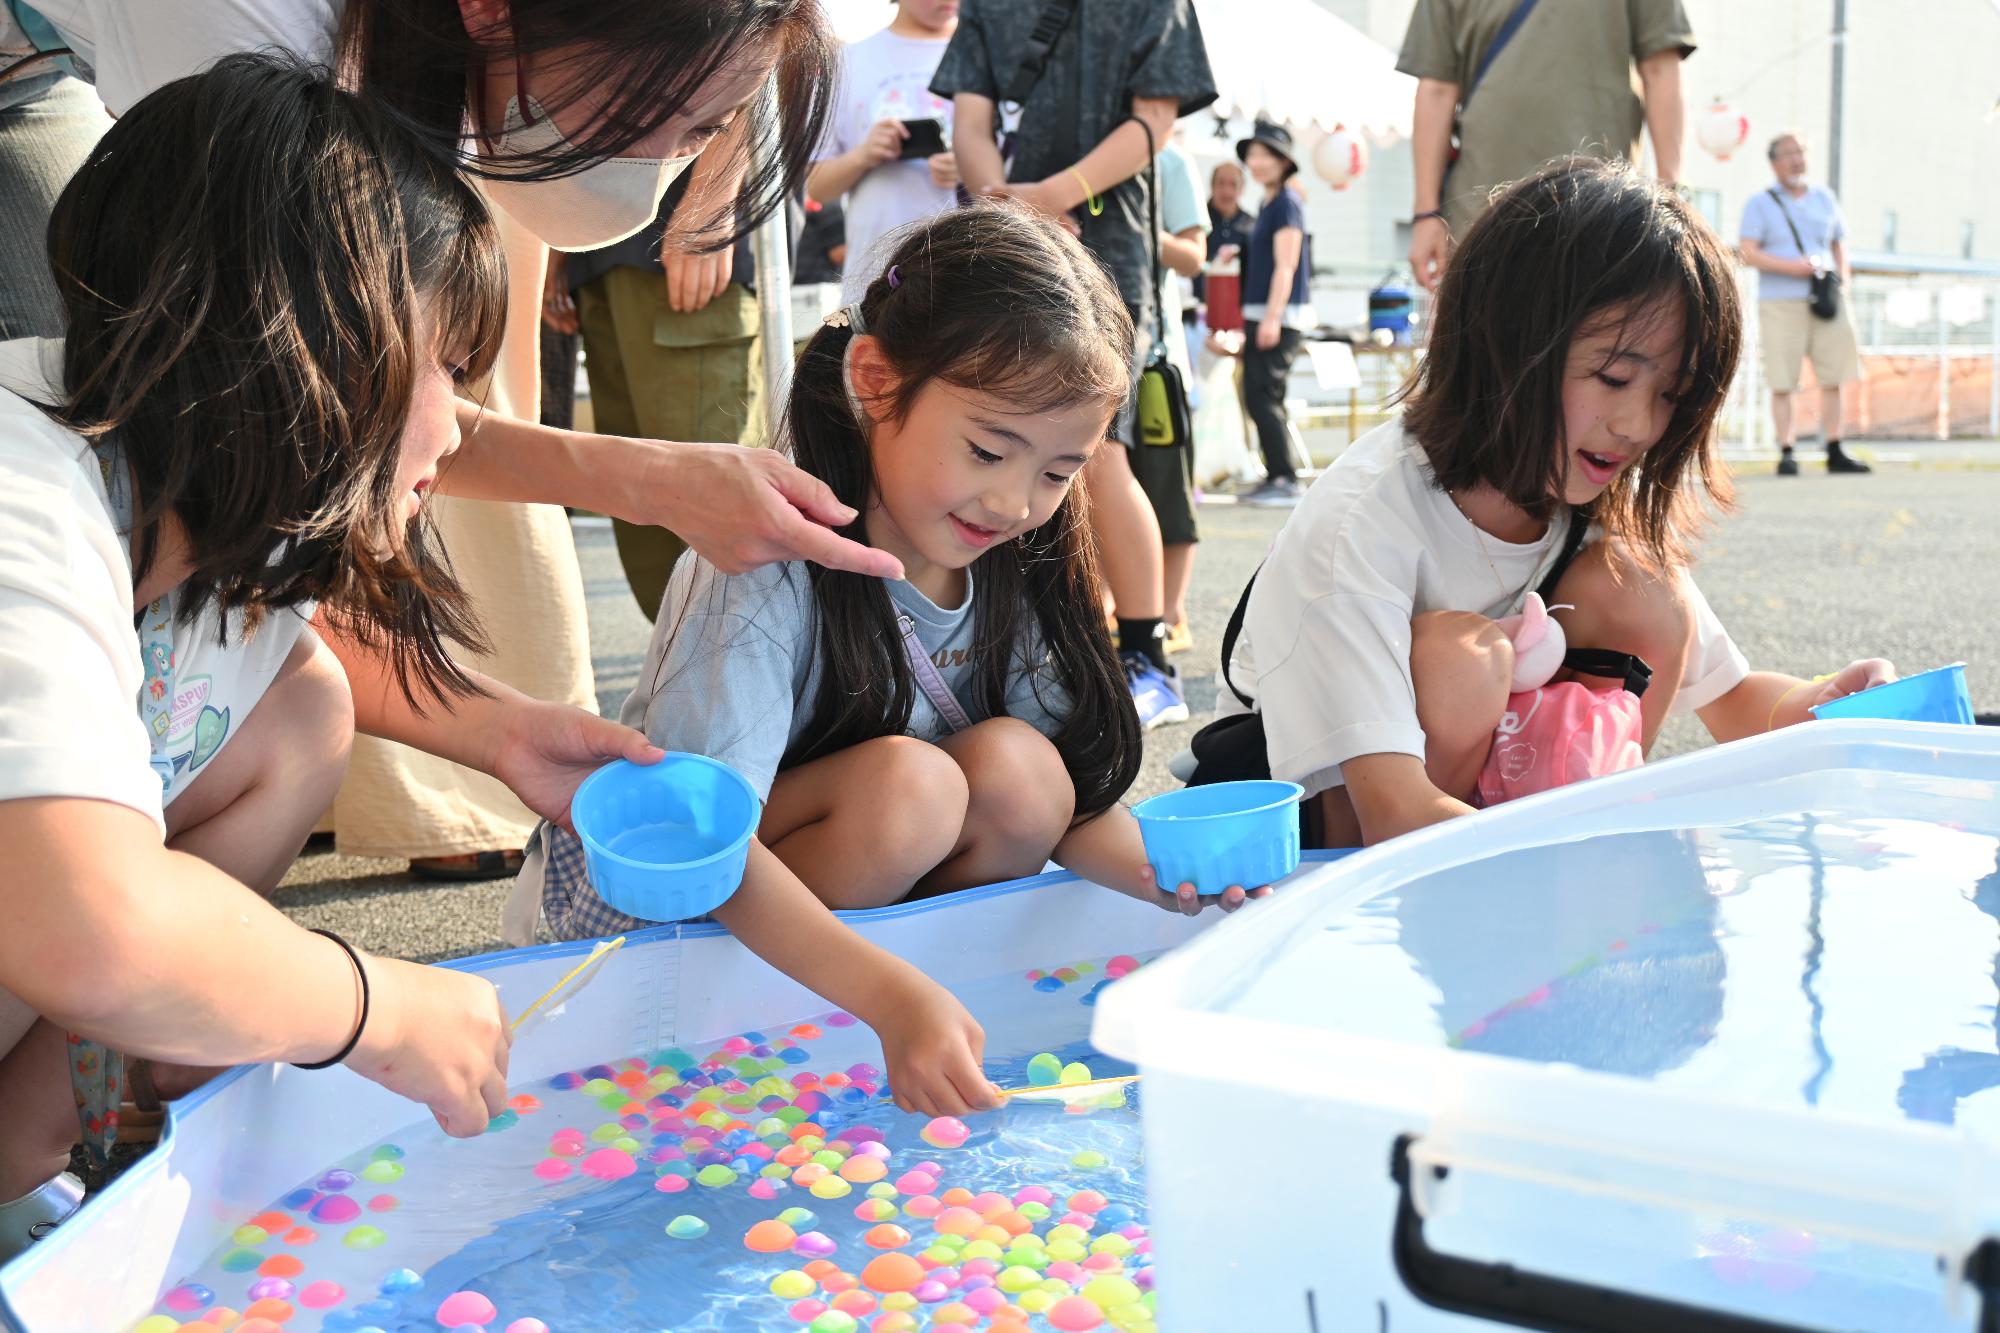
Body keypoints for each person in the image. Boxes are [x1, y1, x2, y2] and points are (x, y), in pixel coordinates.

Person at [0, 55, 666, 1257]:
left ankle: (24, 1152)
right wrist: (367, 1004)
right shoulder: (19, 491)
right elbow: (85, 926)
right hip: (56, 921)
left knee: (295, 707)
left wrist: (501, 732)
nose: (458, 424)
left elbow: (292, 661)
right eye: (447, 371)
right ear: (310, 348)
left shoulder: (152, 476)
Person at [0, 0, 901, 883]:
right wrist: (376, 1005)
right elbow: (308, 401)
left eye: (705, 131)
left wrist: (503, 725)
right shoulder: (53, 504)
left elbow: (333, 410)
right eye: (651, 113)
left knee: (275, 682)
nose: (664, 161)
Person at [518, 207, 1266, 1116]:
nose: (1013, 500)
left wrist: (1182, 881)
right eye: (989, 449)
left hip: (839, 927)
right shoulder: (760, 554)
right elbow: (702, 845)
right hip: (666, 921)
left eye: (1058, 472)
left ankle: (899, 1007)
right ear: (876, 382)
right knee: (914, 789)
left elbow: (1063, 809)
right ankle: (833, 1011)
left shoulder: (1011, 562)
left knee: (1028, 774)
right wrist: (888, 995)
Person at [1218, 160, 1895, 850]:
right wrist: (1584, 862)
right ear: (1507, 341)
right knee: (1464, 662)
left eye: (1670, 394)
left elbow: (1734, 698)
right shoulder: (1362, 523)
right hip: (1328, 843)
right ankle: (1568, 849)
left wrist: (1835, 707)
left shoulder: (1578, 488)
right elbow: (1394, 810)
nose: (1638, 424)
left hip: (1493, 827)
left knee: (1646, 593)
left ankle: (1591, 809)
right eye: (1614, 376)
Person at [931, 0, 1217, 731]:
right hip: (1017, 238)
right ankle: (1027, 651)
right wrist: (1016, 209)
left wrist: (1037, 200)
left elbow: (1155, 123)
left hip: (1102, 253)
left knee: (1097, 455)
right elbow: (971, 118)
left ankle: (1147, 653)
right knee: (1000, 437)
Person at [551, 166, 772, 618]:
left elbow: (758, 91)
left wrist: (711, 198)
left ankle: (752, 683)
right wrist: (557, 250)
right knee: (642, 519)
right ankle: (682, 680)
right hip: (597, 246)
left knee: (721, 519)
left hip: (690, 237)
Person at [1398, 0, 1694, 291]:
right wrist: (1426, 214)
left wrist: (1671, 196)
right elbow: (1436, 90)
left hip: (1601, 216)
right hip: (1479, 215)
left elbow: (1661, 68)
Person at [806, 0, 961, 302]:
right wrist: (863, 156)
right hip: (876, 276)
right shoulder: (846, 62)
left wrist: (972, 170)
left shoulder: (996, 60)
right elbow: (817, 187)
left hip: (972, 272)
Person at [1739, 133, 1870, 477]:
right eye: (1789, 153)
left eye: (1801, 152)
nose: (1797, 159)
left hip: (1826, 296)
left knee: (1836, 374)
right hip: (1780, 301)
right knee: (1783, 379)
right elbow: (1747, 251)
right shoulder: (1760, 203)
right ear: (1774, 162)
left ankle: (1835, 448)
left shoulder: (1824, 198)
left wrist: (1842, 280)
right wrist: (1792, 268)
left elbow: (1839, 242)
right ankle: (1787, 450)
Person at [1138, 136, 1208, 654]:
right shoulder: (1072, 147)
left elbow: (1193, 256)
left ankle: (1170, 612)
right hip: (1080, 354)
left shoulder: (1169, 158)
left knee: (1167, 495)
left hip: (1156, 363)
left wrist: (1133, 227)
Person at [1236, 120, 1315, 508]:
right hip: (1266, 312)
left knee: (1262, 395)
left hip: (1279, 315)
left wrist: (1271, 317)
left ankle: (1283, 478)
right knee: (1263, 394)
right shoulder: (1270, 202)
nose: (1257, 161)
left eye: (1266, 154)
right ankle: (1277, 475)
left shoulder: (1286, 203)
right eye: (1253, 154)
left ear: (1284, 161)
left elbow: (1287, 264)